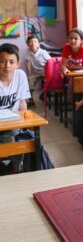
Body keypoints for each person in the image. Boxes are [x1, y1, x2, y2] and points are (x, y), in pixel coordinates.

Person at [0, 43, 31, 173]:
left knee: (27, 140)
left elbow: (22, 102)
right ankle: (10, 168)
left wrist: (24, 124)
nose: (7, 66)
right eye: (2, 61)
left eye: (11, 62)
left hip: (12, 123)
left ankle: (16, 169)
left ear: (17, 64)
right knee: (9, 139)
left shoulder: (20, 75)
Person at [25, 35, 51, 106]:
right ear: (28, 44)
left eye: (35, 41)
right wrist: (29, 75)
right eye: (30, 42)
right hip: (35, 72)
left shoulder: (43, 52)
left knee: (49, 82)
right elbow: (28, 63)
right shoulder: (28, 51)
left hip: (45, 71)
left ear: (38, 44)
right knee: (29, 82)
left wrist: (49, 73)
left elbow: (50, 62)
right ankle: (31, 100)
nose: (33, 43)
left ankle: (43, 94)